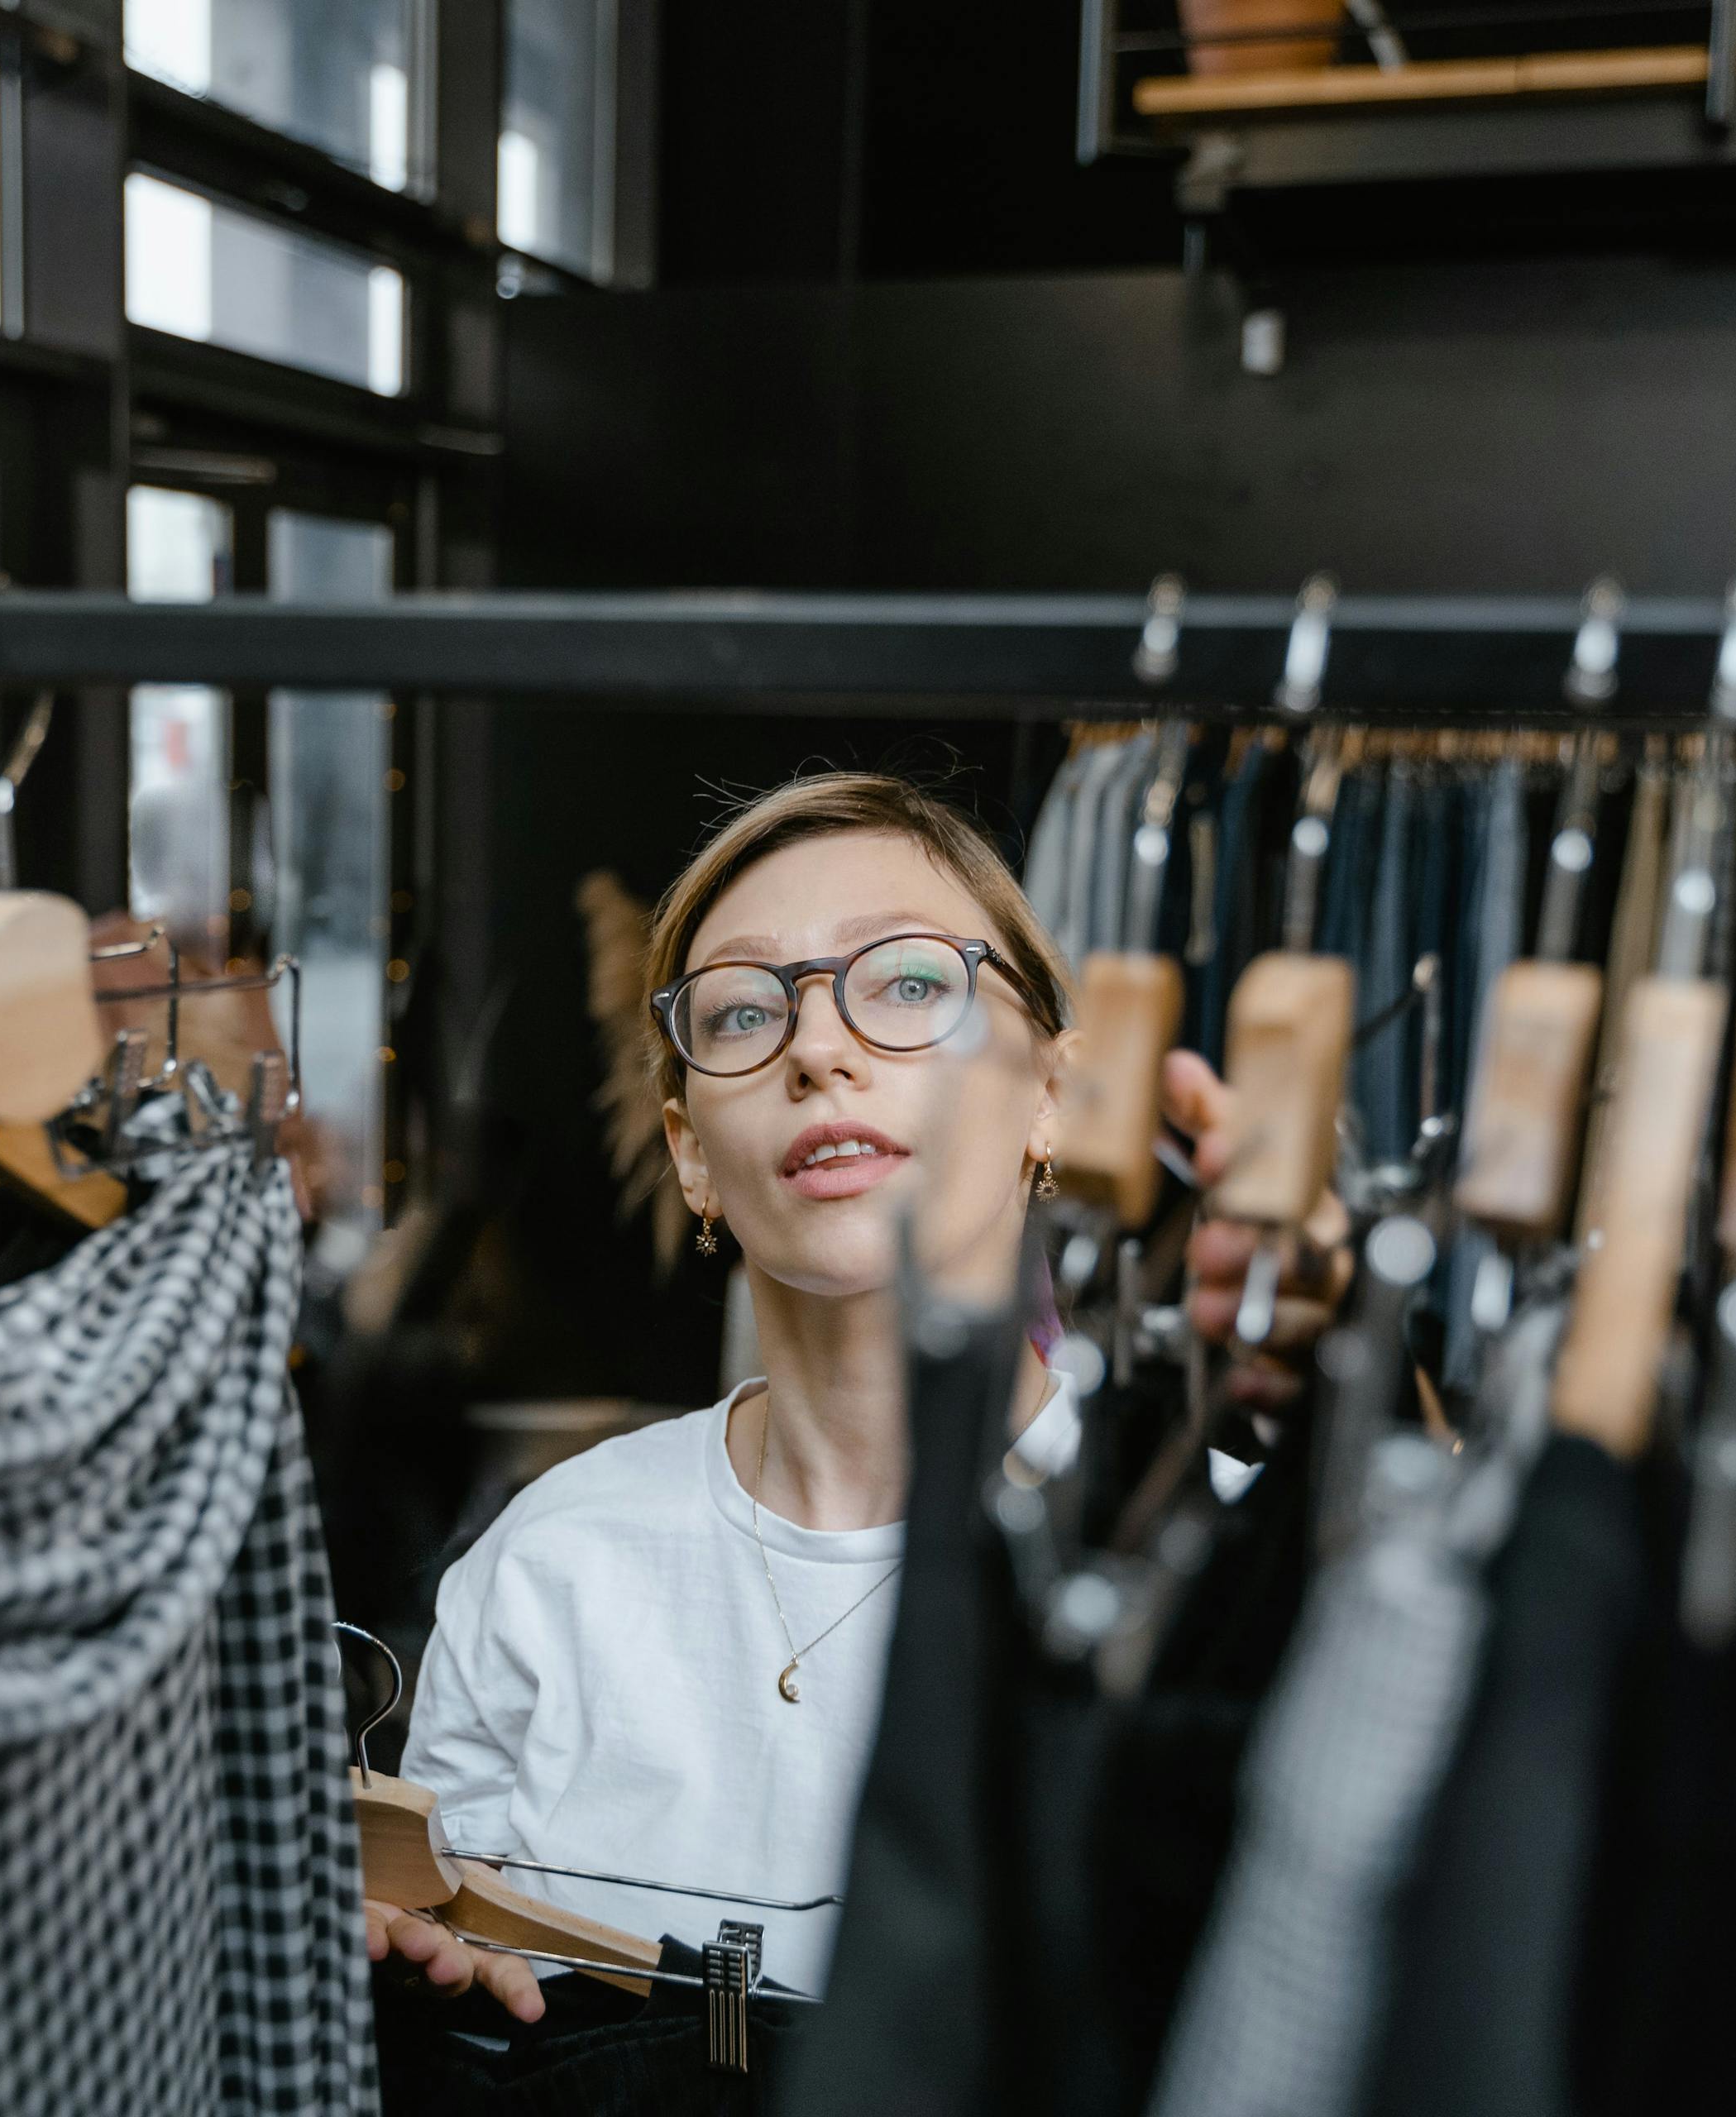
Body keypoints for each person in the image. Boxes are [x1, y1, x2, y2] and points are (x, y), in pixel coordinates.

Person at [369, 771, 1337, 2021]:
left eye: (911, 985)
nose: (818, 1049)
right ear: (688, 1152)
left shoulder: (1199, 1557)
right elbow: (461, 1967)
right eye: (739, 1014)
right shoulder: (551, 1568)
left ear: (1051, 1090)